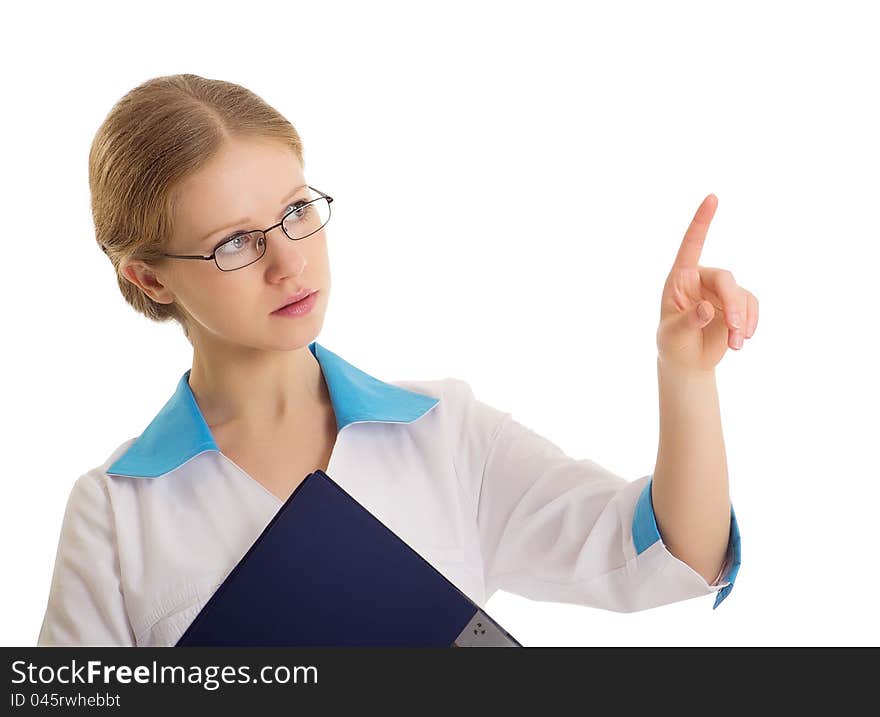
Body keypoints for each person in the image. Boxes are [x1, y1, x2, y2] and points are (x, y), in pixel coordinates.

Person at [37, 73, 744, 647]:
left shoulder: (446, 435)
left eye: (294, 212)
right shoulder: (114, 513)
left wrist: (685, 373)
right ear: (151, 278)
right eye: (233, 242)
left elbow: (676, 552)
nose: (290, 264)